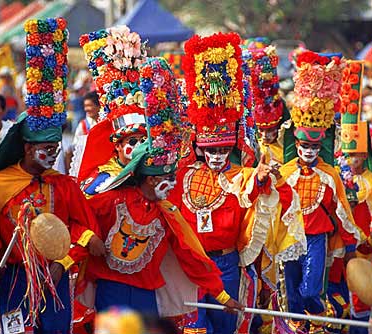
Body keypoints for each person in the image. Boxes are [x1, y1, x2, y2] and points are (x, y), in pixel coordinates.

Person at [0, 18, 105, 333]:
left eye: (56, 147)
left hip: (53, 277)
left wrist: (63, 262)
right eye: (46, 147)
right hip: (13, 279)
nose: (53, 153)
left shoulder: (63, 185)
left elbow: (82, 228)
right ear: (27, 148)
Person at [83, 57, 243, 326]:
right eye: (164, 179)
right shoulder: (109, 198)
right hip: (111, 290)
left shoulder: (166, 213)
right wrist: (87, 238)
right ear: (146, 179)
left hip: (147, 294)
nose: (170, 185)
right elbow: (78, 218)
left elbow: (190, 256)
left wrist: (222, 296)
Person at [170, 32, 279, 334]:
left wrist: (261, 178)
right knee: (194, 330)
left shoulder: (238, 176)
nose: (217, 157)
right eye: (211, 151)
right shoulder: (184, 174)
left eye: (222, 150)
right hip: (192, 267)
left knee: (224, 328)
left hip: (227, 266)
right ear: (200, 148)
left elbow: (253, 189)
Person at [268, 51, 365, 333]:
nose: (308, 152)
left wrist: (350, 244)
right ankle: (302, 329)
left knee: (310, 288)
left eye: (312, 148)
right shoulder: (285, 173)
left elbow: (343, 212)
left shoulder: (329, 174)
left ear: (318, 147)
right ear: (296, 146)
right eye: (303, 147)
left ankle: (323, 320)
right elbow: (271, 208)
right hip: (289, 239)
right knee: (294, 296)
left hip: (316, 239)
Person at [337, 60, 372, 334]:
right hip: (344, 234)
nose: (351, 160)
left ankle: (362, 326)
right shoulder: (342, 175)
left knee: (362, 282)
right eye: (347, 155)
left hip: (364, 236)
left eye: (356, 155)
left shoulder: (370, 180)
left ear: (365, 155)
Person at [76, 27, 148, 197]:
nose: (139, 146)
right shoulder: (104, 180)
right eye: (132, 141)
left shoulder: (151, 174)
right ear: (118, 146)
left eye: (143, 140)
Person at [243, 41, 296, 167]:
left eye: (270, 130)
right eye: (261, 130)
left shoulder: (288, 150)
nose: (265, 136)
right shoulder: (252, 148)